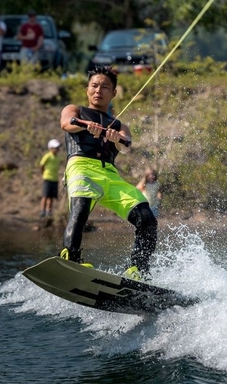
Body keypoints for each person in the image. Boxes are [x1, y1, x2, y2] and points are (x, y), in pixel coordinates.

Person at [58, 66, 157, 280]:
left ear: (113, 93)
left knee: (146, 217)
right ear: (87, 89)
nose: (98, 90)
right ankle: (70, 258)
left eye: (105, 87)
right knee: (80, 208)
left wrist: (116, 138)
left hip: (110, 174)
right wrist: (86, 126)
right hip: (81, 165)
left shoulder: (119, 125)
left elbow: (126, 144)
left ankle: (138, 269)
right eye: (94, 86)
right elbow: (67, 123)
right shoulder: (74, 109)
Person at [39, 139, 63, 218]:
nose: (57, 149)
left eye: (58, 148)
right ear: (51, 148)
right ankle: (42, 211)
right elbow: (41, 165)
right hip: (47, 178)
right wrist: (43, 174)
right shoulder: (48, 156)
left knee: (51, 197)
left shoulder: (57, 158)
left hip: (55, 179)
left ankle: (48, 212)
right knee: (45, 196)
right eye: (56, 148)